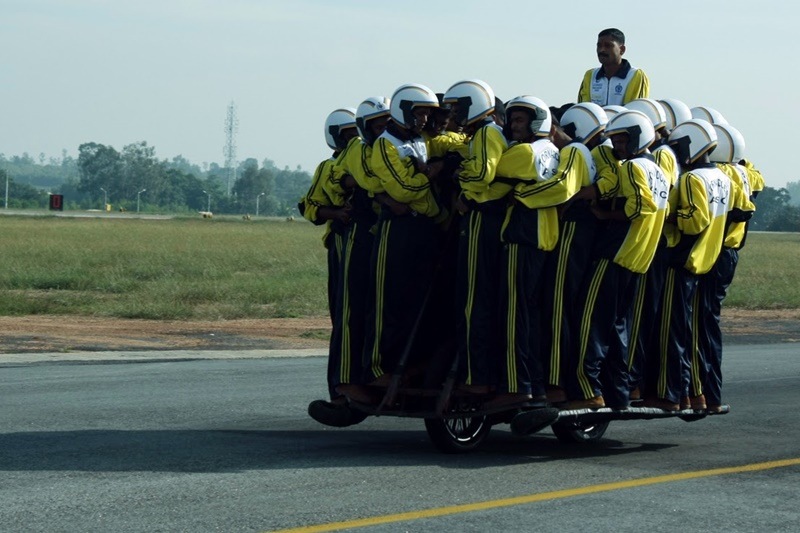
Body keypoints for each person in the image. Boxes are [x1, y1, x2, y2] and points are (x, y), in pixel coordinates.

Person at [565, 110, 669, 410]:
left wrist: (605, 214)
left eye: (623, 141)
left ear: (639, 138)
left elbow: (638, 207)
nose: (618, 147)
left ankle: (586, 390)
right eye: (616, 141)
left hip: (616, 254)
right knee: (618, 328)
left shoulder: (632, 167)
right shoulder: (658, 170)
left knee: (590, 323)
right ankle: (619, 393)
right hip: (638, 259)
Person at [646, 119, 736, 411]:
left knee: (671, 332)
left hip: (681, 260)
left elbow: (695, 220)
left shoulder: (691, 179)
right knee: (687, 331)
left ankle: (670, 395)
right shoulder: (723, 178)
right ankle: (693, 393)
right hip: (705, 261)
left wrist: (670, 215)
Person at [494, 96, 564, 408]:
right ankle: (534, 385)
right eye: (512, 120)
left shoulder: (525, 152)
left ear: (537, 122)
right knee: (531, 320)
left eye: (520, 120)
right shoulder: (553, 151)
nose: (512, 126)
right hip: (543, 242)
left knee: (513, 318)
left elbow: (489, 169)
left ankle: (516, 386)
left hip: (522, 240)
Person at [443, 79, 512, 397]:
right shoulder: (487, 133)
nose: (453, 114)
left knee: (473, 301)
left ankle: (476, 377)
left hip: (481, 221)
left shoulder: (486, 133)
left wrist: (460, 177)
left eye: (457, 108)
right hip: (488, 220)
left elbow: (483, 173)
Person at [537, 102, 608, 403]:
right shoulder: (585, 152)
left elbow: (561, 188)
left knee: (557, 304)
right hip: (579, 233)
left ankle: (555, 381)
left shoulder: (574, 151)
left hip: (572, 232)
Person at [578, 28, 649, 106]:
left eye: (608, 46)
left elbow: (633, 110)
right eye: (599, 46)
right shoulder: (590, 76)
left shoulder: (635, 75)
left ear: (622, 50)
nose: (602, 50)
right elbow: (583, 109)